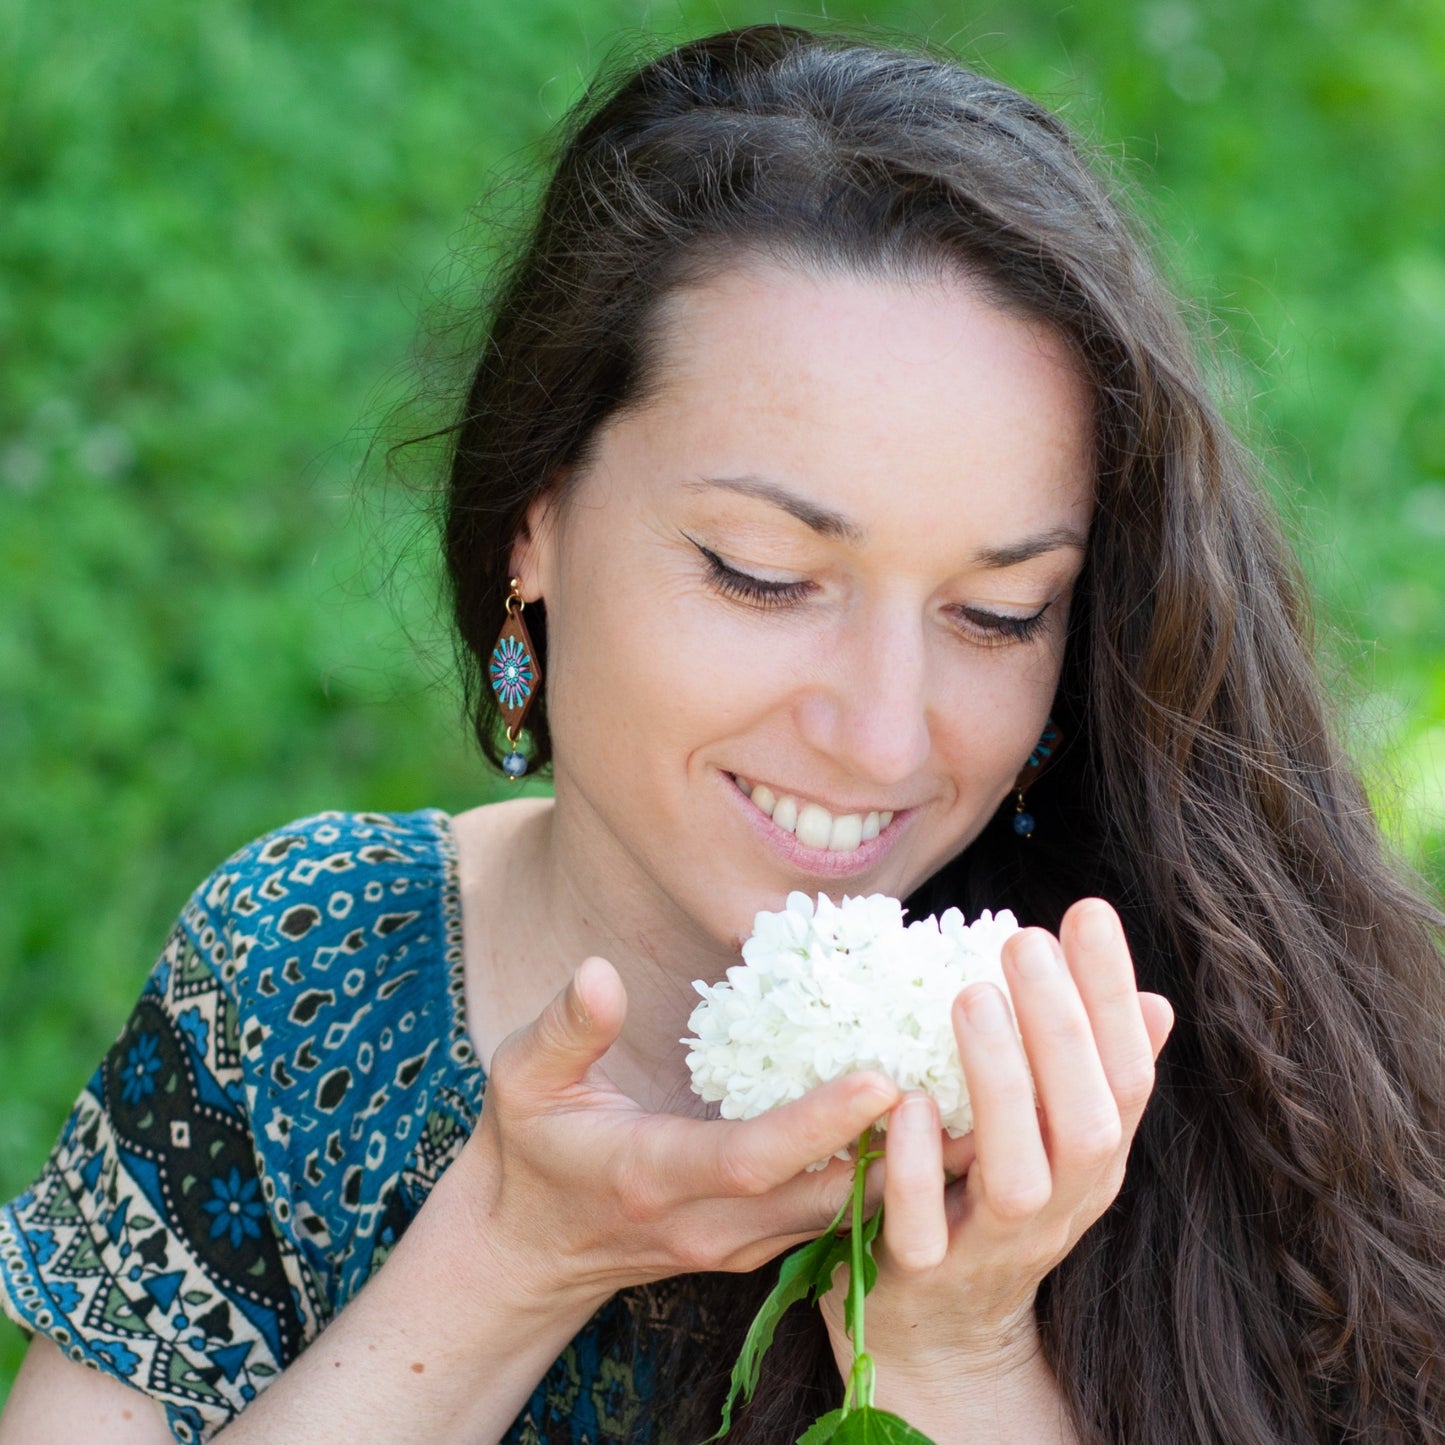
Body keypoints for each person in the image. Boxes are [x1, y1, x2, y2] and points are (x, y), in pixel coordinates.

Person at [2, 23, 1442, 1445]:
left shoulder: (1233, 1069)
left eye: (999, 612)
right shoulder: (302, 968)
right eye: (762, 574)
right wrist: (506, 1258)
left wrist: (955, 1350)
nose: (880, 737)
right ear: (535, 517)